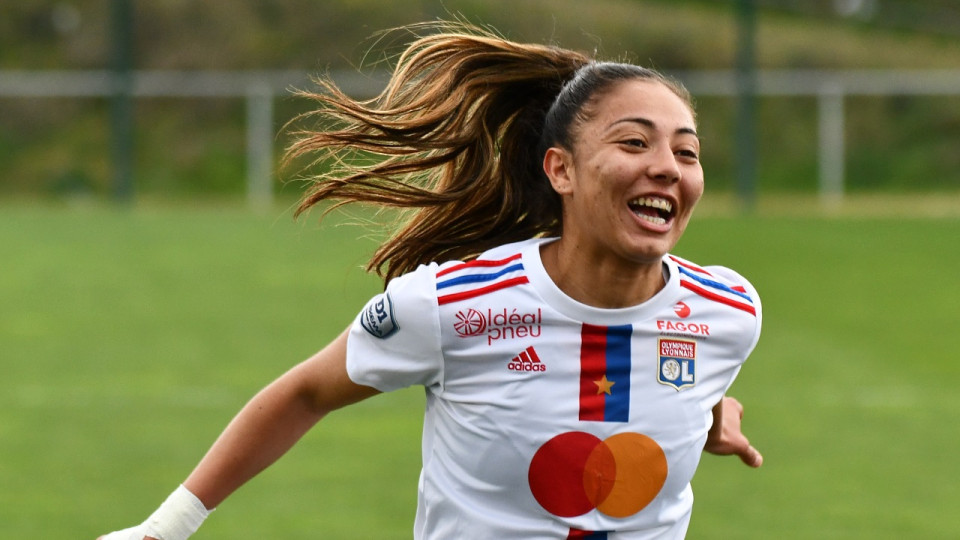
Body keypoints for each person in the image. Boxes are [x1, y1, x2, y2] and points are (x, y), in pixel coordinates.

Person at [99, 21, 763, 540]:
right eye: (634, 143)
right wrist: (165, 528)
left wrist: (708, 412)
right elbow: (305, 393)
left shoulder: (728, 312)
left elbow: (667, 377)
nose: (668, 168)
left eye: (686, 151)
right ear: (560, 170)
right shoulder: (450, 305)